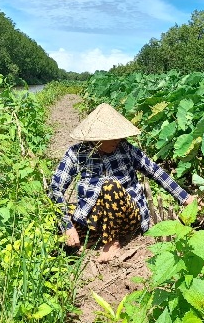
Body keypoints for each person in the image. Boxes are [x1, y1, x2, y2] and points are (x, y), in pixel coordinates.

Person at [49, 103, 195, 262]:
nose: (116, 140)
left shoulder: (126, 149)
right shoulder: (76, 153)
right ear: (96, 136)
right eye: (111, 137)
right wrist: (68, 226)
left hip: (128, 216)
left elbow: (155, 171)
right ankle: (93, 237)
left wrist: (185, 198)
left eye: (117, 136)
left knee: (110, 186)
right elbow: (55, 188)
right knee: (60, 218)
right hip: (98, 216)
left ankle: (112, 242)